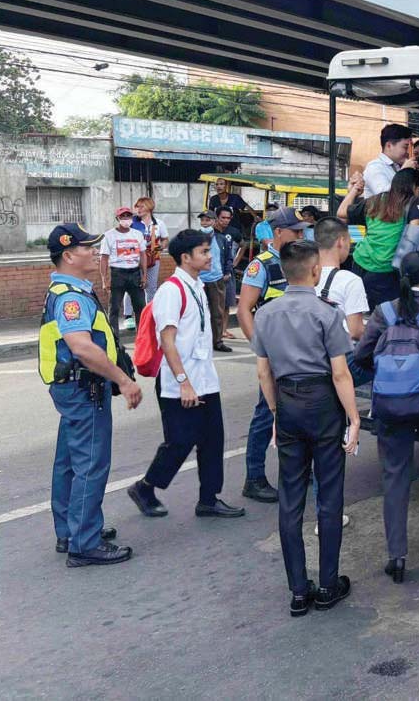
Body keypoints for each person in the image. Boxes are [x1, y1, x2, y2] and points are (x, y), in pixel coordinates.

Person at [252, 240, 361, 616]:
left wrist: (275, 410)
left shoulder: (265, 313)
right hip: (323, 402)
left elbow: (263, 371)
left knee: (290, 497)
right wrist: (355, 418)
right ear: (315, 271)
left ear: (284, 272)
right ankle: (329, 586)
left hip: (287, 402)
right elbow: (340, 372)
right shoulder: (327, 312)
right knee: (329, 496)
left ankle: (299, 590)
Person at [40, 224, 143, 567]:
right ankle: (84, 542)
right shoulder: (71, 297)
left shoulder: (69, 289)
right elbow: (82, 347)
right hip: (85, 388)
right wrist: (124, 382)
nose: (95, 252)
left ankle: (71, 530)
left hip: (73, 388)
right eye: (88, 248)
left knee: (69, 461)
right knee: (90, 464)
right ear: (69, 255)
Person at [127, 230, 245, 521]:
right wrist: (184, 383)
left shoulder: (197, 286)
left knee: (212, 439)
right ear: (185, 257)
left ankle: (209, 499)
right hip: (179, 384)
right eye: (204, 251)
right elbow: (167, 341)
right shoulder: (171, 290)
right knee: (180, 441)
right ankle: (144, 488)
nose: (209, 256)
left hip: (204, 380)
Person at [355, 253, 419, 584]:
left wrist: (391, 381)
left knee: (395, 475)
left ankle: (396, 555)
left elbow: (361, 356)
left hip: (390, 406)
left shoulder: (383, 312)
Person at [238, 206, 309, 503]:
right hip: (276, 354)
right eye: (296, 231)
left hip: (302, 353)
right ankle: (254, 478)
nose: (301, 236)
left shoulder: (303, 261)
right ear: (278, 232)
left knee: (301, 415)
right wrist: (261, 349)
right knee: (266, 413)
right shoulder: (262, 266)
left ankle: (300, 473)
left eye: (303, 231)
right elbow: (244, 309)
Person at [339, 168, 419, 308]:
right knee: (384, 316)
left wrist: (355, 190)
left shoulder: (375, 200)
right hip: (385, 270)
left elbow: (341, 212)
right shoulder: (412, 201)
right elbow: (414, 236)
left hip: (360, 262)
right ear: (414, 187)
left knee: (357, 309)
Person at [313, 216, 368, 343]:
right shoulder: (350, 281)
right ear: (341, 241)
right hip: (340, 356)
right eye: (349, 242)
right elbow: (355, 331)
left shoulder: (304, 275)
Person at [99, 207, 148, 337]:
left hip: (135, 273)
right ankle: (114, 340)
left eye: (128, 217)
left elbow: (143, 255)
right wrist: (104, 279)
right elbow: (104, 258)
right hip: (117, 274)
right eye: (123, 217)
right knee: (114, 309)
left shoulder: (137, 234)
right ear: (118, 219)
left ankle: (142, 338)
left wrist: (144, 275)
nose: (126, 219)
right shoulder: (109, 235)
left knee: (140, 308)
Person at [195, 210, 232, 354]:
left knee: (217, 312)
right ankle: (198, 341)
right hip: (198, 280)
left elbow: (228, 256)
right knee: (197, 312)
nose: (205, 223)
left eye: (208, 220)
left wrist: (227, 272)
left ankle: (217, 341)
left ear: (214, 221)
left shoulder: (221, 238)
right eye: (203, 220)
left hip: (216, 279)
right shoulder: (194, 238)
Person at [213, 207, 244, 338]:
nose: (225, 221)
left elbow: (243, 244)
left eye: (228, 218)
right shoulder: (211, 232)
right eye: (223, 218)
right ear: (217, 218)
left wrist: (236, 261)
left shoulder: (233, 232)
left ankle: (223, 330)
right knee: (213, 303)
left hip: (227, 271)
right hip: (213, 271)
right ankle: (214, 330)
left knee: (226, 303)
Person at [130, 197, 168, 302]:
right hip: (134, 259)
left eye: (141, 206)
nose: (138, 209)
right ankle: (128, 315)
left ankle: (150, 312)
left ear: (149, 207)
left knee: (151, 287)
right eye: (137, 207)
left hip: (153, 259)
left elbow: (165, 239)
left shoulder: (159, 223)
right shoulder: (132, 223)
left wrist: (161, 246)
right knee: (131, 288)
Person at [363, 123, 415, 198]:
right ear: (389, 146)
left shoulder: (397, 167)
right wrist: (404, 173)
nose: (408, 152)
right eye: (405, 147)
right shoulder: (375, 167)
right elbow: (384, 196)